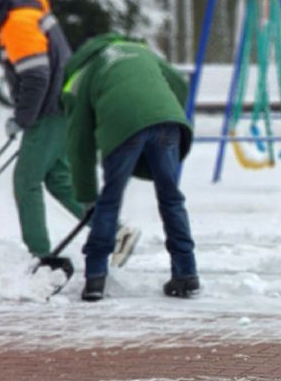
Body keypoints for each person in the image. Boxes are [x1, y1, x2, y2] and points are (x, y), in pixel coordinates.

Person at [0, 0, 138, 275]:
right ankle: (115, 231)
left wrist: (23, 117)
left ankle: (41, 257)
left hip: (49, 111)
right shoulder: (25, 13)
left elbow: (36, 75)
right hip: (63, 106)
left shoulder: (17, 21)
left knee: (25, 181)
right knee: (60, 181)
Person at [60, 33, 198, 302]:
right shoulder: (141, 51)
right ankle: (186, 273)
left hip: (123, 127)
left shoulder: (80, 77)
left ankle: (95, 279)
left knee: (109, 200)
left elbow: (80, 145)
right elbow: (179, 83)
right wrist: (161, 110)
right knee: (171, 198)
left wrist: (87, 197)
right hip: (168, 122)